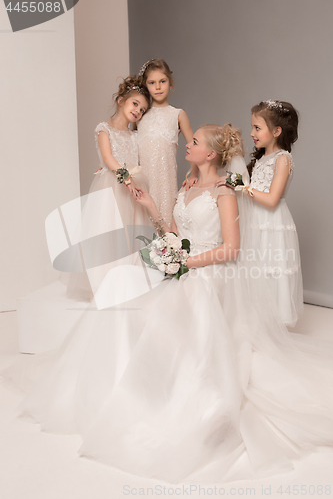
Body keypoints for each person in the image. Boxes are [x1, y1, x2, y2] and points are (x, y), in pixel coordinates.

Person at [12, 123, 333, 483]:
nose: (188, 144)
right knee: (124, 296)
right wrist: (153, 210)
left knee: (176, 305)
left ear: (210, 154)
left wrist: (184, 263)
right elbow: (177, 236)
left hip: (212, 274)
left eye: (193, 142)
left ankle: (195, 401)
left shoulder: (224, 192)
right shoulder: (188, 185)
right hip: (184, 266)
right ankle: (129, 390)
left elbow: (231, 248)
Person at [65, 76, 152, 301]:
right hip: (113, 185)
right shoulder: (105, 129)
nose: (138, 111)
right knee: (110, 233)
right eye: (135, 104)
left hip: (133, 186)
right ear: (121, 100)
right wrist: (125, 178)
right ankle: (106, 283)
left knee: (132, 233)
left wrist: (134, 181)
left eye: (142, 110)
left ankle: (128, 282)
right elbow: (108, 157)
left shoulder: (135, 135)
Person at [241, 99, 303, 327]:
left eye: (257, 128)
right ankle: (255, 317)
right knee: (254, 266)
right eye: (252, 127)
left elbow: (271, 199)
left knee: (270, 266)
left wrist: (243, 187)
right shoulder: (262, 158)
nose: (251, 133)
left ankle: (272, 321)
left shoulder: (283, 159)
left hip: (271, 221)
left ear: (277, 131)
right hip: (254, 220)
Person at [136, 59, 196, 225]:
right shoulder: (139, 116)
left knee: (165, 231)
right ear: (146, 86)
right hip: (143, 181)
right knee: (142, 229)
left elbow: (193, 145)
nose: (157, 87)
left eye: (162, 81)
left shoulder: (177, 114)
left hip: (165, 182)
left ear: (170, 83)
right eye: (152, 82)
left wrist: (194, 174)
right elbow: (129, 145)